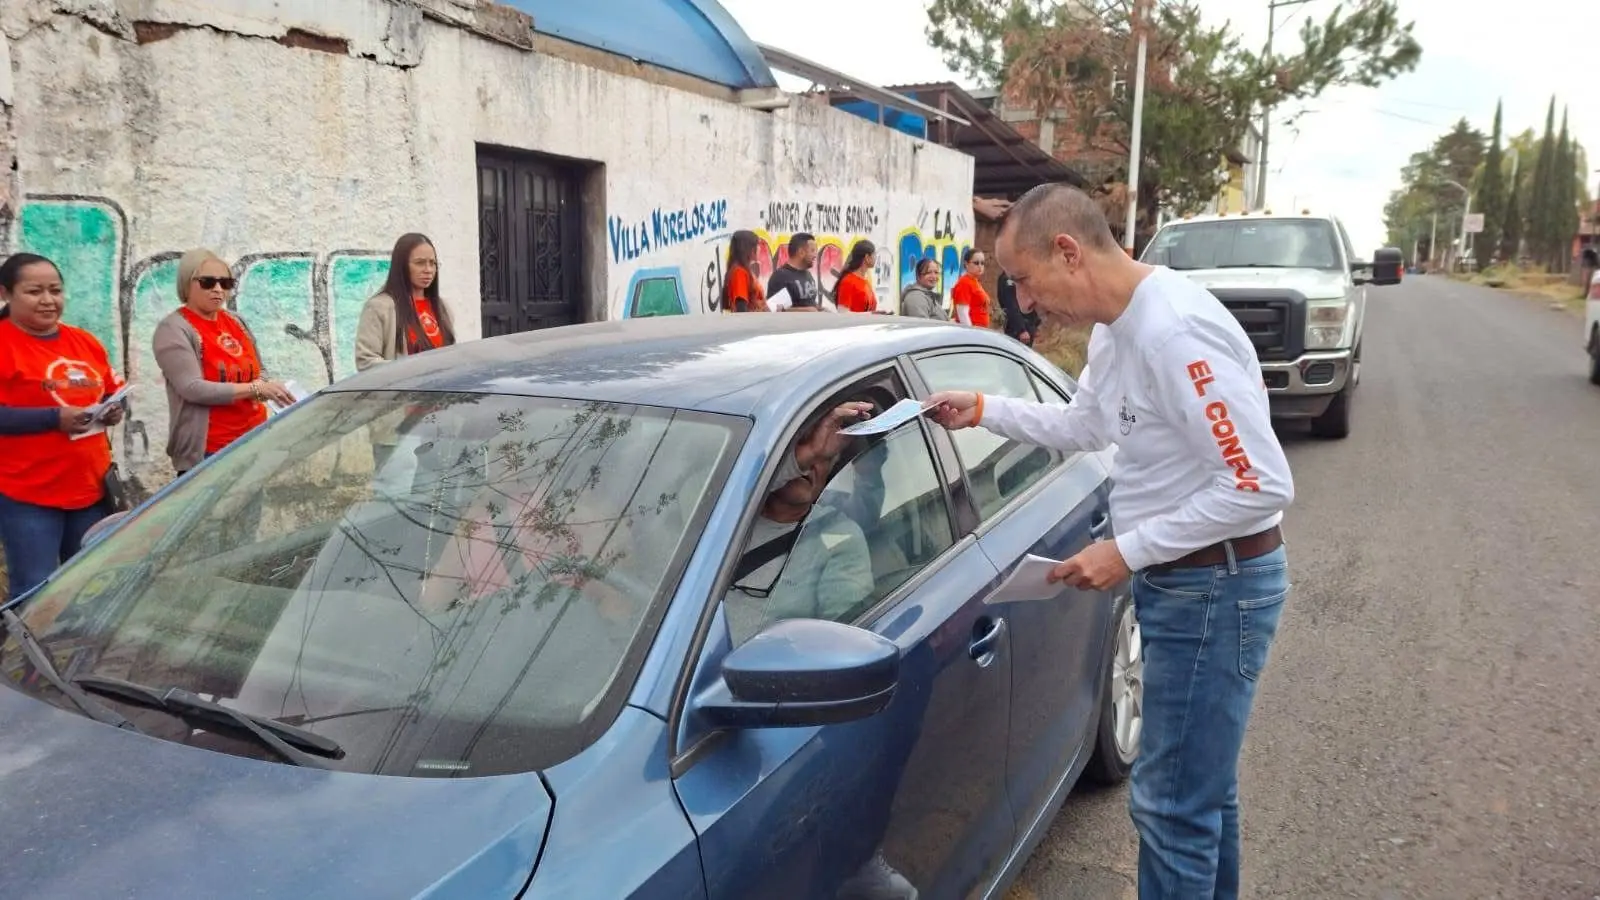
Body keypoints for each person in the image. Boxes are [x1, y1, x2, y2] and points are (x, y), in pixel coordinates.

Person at [926, 183, 1294, 900]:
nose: (1023, 301)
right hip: (1185, 582)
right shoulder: (1115, 328)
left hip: (1215, 589)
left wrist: (1124, 551)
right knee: (1199, 795)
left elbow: (1258, 484)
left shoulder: (1174, 333)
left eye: (1024, 279)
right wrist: (985, 409)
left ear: (1068, 252)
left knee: (1171, 807)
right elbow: (1087, 426)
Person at [0, 253, 127, 598]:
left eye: (55, 290)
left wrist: (115, 408)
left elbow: (112, 388)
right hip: (29, 495)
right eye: (34, 291)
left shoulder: (84, 341)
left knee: (87, 587)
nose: (48, 300)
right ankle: (27, 638)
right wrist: (54, 418)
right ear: (6, 294)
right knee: (34, 590)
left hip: (90, 491)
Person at [152, 249, 294, 476]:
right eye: (208, 282)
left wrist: (267, 388)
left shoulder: (236, 321)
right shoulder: (174, 329)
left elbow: (259, 370)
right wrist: (255, 389)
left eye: (225, 283)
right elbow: (192, 388)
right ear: (187, 284)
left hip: (253, 438)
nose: (218, 289)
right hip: (210, 451)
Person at [356, 233, 457, 471]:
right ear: (402, 265)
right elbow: (366, 362)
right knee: (396, 489)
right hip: (398, 422)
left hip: (439, 419)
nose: (428, 270)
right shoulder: (380, 307)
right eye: (420, 263)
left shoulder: (441, 308)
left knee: (434, 488)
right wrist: (415, 370)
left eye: (433, 263)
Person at [766, 233, 821, 311]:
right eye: (812, 250)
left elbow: (808, 303)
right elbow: (773, 309)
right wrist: (805, 311)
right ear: (801, 252)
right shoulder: (780, 277)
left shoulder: (808, 274)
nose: (815, 255)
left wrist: (820, 309)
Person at [720, 230, 768, 312]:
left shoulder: (744, 270)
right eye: (757, 245)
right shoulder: (739, 272)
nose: (759, 248)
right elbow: (741, 308)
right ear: (748, 248)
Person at [949, 248, 992, 328]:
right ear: (966, 264)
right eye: (976, 263)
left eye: (982, 263)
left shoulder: (974, 281)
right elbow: (962, 312)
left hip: (979, 329)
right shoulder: (964, 283)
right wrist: (971, 332)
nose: (980, 266)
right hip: (973, 330)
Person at [834, 240, 878, 313]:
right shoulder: (848, 281)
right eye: (874, 254)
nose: (876, 257)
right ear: (867, 257)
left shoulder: (866, 282)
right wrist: (871, 314)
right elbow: (842, 313)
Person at [997, 270, 1039, 346]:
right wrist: (1021, 329)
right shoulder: (1008, 278)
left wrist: (1035, 324)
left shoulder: (1023, 276)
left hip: (1028, 325)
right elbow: (1010, 305)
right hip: (1016, 328)